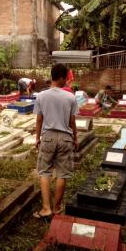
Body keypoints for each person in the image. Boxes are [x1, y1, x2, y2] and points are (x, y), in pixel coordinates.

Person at [33, 63, 78, 219]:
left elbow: (39, 120)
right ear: (60, 77)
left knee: (44, 172)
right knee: (62, 173)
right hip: (65, 138)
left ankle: (46, 208)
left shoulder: (41, 96)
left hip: (48, 137)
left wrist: (37, 138)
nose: (67, 80)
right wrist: (75, 138)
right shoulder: (70, 97)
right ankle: (57, 207)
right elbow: (72, 122)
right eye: (66, 77)